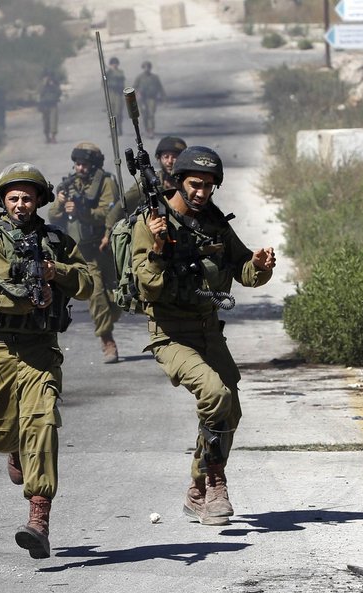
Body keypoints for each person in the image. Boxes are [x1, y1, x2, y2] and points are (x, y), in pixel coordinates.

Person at [0, 163, 93, 559]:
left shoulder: (55, 240)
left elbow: (87, 283)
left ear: (38, 201)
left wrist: (56, 271)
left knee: (42, 424)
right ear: (3, 201)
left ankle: (38, 518)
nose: (20, 204)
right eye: (13, 197)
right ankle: (14, 449)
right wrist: (36, 295)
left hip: (39, 350)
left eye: (27, 197)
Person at [130, 146, 276, 526]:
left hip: (209, 330)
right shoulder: (152, 222)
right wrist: (159, 249)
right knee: (215, 394)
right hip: (171, 334)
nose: (202, 193)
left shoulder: (212, 221)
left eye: (209, 186)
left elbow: (243, 269)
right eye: (196, 184)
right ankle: (215, 482)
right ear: (179, 181)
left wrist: (259, 266)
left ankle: (197, 490)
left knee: (231, 409)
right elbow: (148, 286)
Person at [48, 142, 123, 363]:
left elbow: (109, 212)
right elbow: (53, 217)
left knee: (116, 298)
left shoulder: (106, 183)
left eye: (84, 164)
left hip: (106, 247)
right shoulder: (68, 186)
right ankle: (107, 339)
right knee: (96, 294)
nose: (80, 168)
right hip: (83, 252)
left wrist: (83, 211)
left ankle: (108, 323)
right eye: (77, 164)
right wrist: (60, 204)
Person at [132, 61, 165, 138]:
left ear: (150, 68)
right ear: (143, 68)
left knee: (151, 114)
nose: (147, 69)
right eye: (145, 67)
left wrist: (164, 98)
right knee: (145, 115)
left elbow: (160, 87)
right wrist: (137, 93)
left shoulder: (155, 77)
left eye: (148, 67)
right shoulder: (139, 77)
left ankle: (151, 130)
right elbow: (134, 87)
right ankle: (146, 129)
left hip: (152, 98)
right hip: (142, 99)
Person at [38, 71, 62, 144]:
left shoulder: (54, 84)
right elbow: (39, 94)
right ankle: (47, 137)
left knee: (53, 121)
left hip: (53, 104)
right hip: (44, 105)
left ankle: (53, 137)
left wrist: (53, 85)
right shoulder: (42, 85)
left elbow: (59, 92)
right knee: (46, 122)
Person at [105, 57, 126, 134]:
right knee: (111, 114)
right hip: (110, 95)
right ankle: (113, 130)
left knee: (118, 113)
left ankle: (119, 128)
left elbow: (121, 81)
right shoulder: (108, 73)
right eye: (112, 64)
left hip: (118, 95)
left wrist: (113, 76)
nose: (114, 65)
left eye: (115, 63)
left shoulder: (120, 72)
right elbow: (104, 83)